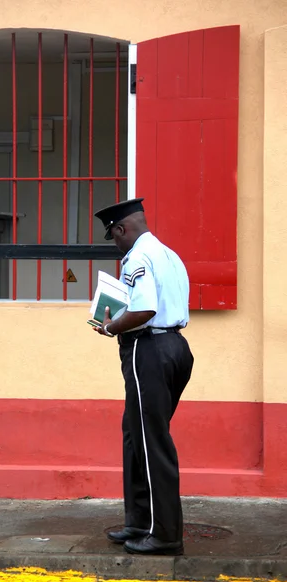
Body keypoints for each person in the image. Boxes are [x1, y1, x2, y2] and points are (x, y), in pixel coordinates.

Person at [93, 197, 194, 556]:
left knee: (151, 444)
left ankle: (165, 535)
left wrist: (109, 326)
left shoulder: (136, 257)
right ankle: (139, 522)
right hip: (176, 349)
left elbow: (145, 309)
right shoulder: (169, 254)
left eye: (114, 236)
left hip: (148, 350)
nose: (116, 244)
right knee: (136, 436)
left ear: (121, 229)